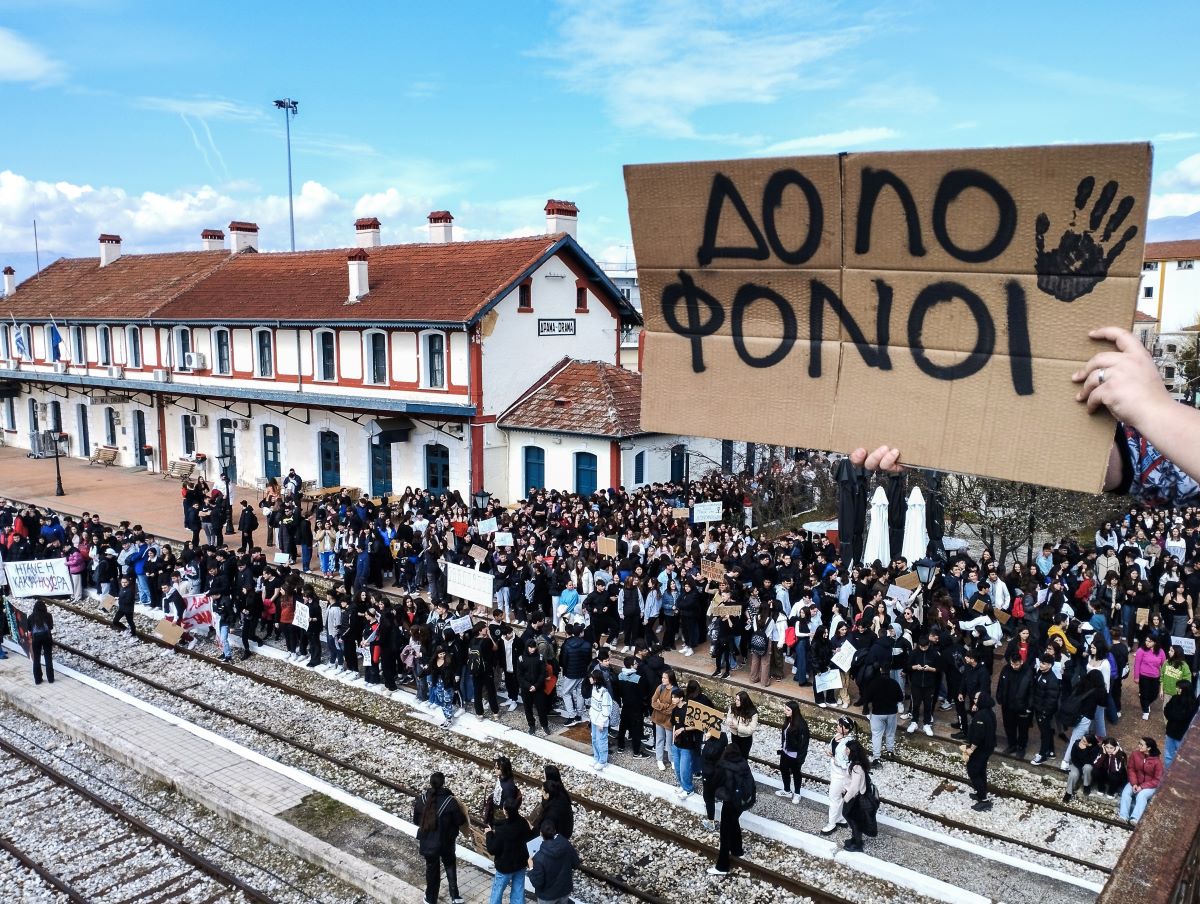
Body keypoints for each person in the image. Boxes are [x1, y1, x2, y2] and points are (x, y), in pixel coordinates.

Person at [412, 771, 466, 904]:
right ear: (443, 783)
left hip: (428, 844)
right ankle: (455, 897)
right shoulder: (450, 801)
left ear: (430, 783)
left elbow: (416, 820)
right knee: (449, 865)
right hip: (446, 842)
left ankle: (430, 899)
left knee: (432, 870)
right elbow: (460, 821)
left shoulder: (422, 799)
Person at [708, 739, 754, 876]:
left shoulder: (723, 765)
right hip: (740, 802)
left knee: (725, 832)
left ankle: (722, 866)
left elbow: (715, 782)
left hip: (729, 801)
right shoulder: (743, 763)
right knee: (734, 823)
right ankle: (737, 850)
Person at [485, 795, 530, 904]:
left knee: (497, 892)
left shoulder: (502, 830)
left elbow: (492, 849)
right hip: (520, 864)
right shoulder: (523, 823)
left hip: (505, 867)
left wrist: (489, 834)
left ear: (505, 811)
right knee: (518, 891)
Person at [528, 820, 581, 904]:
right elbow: (576, 863)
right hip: (564, 890)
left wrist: (531, 867)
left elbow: (537, 883)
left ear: (541, 834)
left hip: (547, 896)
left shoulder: (539, 857)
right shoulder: (565, 843)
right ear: (554, 831)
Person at [840, 739, 876, 852]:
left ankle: (858, 844)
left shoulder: (856, 767)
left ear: (852, 751)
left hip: (855, 798)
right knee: (852, 819)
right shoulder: (857, 763)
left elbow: (854, 787)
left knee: (852, 819)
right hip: (855, 796)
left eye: (847, 749)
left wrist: (846, 799)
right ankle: (855, 839)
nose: (845, 750)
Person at [820, 716, 854, 834]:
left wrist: (834, 759)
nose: (837, 726)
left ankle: (831, 824)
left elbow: (848, 763)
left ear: (846, 729)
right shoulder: (837, 736)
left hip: (841, 775)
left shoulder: (848, 744)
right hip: (835, 772)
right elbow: (834, 748)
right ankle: (840, 818)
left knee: (834, 798)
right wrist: (830, 751)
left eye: (840, 725)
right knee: (839, 798)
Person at [963, 691, 997, 811]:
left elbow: (978, 735)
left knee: (973, 771)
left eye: (976, 698)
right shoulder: (989, 712)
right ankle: (981, 792)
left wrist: (971, 749)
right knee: (981, 770)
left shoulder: (981, 716)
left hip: (980, 749)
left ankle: (983, 799)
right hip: (988, 747)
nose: (974, 700)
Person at [1118, 738, 1163, 825]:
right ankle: (1123, 816)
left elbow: (1157, 780)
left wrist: (1142, 787)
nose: (1139, 746)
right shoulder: (1135, 754)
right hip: (1136, 781)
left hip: (1150, 786)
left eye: (1142, 745)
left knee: (1142, 795)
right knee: (1126, 792)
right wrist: (1134, 783)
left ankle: (1135, 818)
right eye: (1139, 743)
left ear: (1148, 748)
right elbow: (1131, 769)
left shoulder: (1157, 762)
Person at [775, 701, 810, 804]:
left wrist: (801, 758)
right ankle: (787, 790)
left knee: (796, 773)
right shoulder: (788, 720)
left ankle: (797, 793)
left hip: (795, 755)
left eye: (788, 710)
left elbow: (804, 743)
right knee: (783, 769)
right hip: (785, 752)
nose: (785, 711)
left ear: (794, 711)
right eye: (785, 709)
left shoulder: (801, 725)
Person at [1163, 680, 1197, 769]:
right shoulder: (1191, 703)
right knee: (1173, 756)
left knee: (1171, 755)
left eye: (1178, 687)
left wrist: (1172, 717)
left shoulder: (1190, 704)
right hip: (1177, 734)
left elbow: (1167, 711)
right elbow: (1167, 710)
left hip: (1177, 734)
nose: (1177, 689)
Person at [650, 669, 677, 773]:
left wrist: (660, 705)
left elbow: (672, 709)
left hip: (669, 721)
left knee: (670, 742)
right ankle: (659, 759)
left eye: (665, 677)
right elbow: (653, 702)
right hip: (658, 718)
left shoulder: (675, 690)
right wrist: (665, 706)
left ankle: (672, 760)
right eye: (662, 677)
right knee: (660, 739)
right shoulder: (660, 687)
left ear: (670, 679)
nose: (662, 679)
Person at [588, 670, 612, 771]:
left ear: (596, 679)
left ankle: (603, 761)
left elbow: (606, 709)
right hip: (594, 719)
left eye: (591, 677)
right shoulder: (594, 688)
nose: (589, 679)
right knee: (594, 739)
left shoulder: (604, 692)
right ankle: (596, 758)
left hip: (600, 721)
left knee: (601, 741)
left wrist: (601, 722)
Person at [1063, 734, 1099, 802]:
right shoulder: (1076, 744)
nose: (1081, 741)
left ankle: (1086, 786)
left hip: (1087, 766)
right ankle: (1068, 793)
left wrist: (1084, 750)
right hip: (1076, 765)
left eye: (1084, 741)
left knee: (1087, 767)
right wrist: (1080, 770)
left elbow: (1089, 761)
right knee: (1073, 774)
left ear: (1090, 744)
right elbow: (1073, 758)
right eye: (1082, 739)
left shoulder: (1096, 749)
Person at [724, 691, 758, 758]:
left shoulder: (753, 713)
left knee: (743, 757)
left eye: (738, 700)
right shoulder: (733, 707)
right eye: (736, 699)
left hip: (745, 739)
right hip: (734, 735)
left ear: (744, 701)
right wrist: (729, 722)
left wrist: (738, 727)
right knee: (734, 755)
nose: (736, 701)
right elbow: (728, 717)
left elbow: (751, 729)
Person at [28, 599, 55, 685]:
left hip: (36, 639)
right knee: (48, 658)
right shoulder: (48, 616)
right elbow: (50, 627)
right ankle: (50, 679)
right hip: (47, 638)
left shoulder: (31, 617)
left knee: (36, 659)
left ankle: (38, 680)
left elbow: (29, 629)